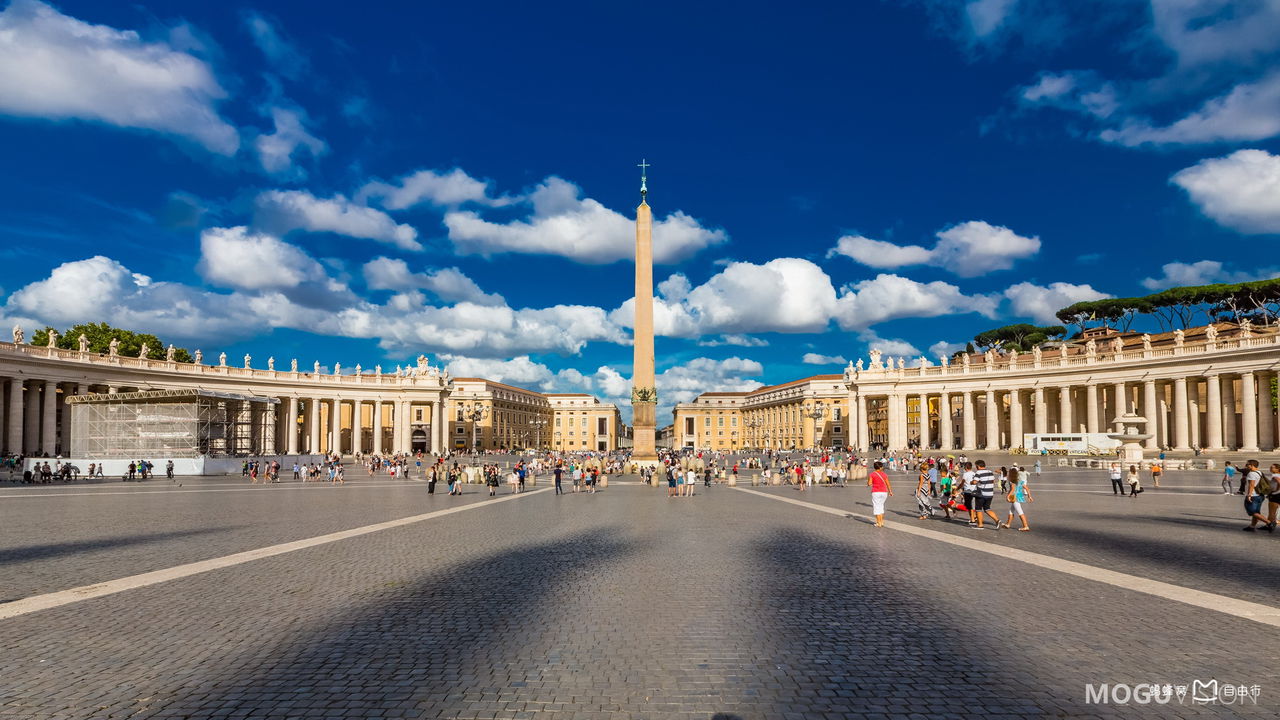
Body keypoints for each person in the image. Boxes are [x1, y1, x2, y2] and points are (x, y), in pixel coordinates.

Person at [1241, 460, 1272, 531]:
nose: (1246, 465)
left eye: (1247, 464)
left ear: (1252, 465)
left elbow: (1252, 485)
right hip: (1260, 495)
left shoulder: (1251, 473)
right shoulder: (1259, 472)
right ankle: (1252, 526)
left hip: (1253, 496)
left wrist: (1249, 495)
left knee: (1252, 512)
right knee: (1256, 512)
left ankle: (1269, 523)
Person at [971, 460, 1001, 530]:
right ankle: (997, 520)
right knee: (987, 508)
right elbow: (993, 481)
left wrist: (971, 482)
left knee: (978, 509)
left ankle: (980, 525)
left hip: (981, 494)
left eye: (976, 466)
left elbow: (975, 482)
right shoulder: (990, 472)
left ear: (978, 466)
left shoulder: (978, 472)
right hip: (990, 493)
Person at [1002, 466, 1033, 531]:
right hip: (1019, 497)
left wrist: (1008, 496)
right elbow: (1027, 488)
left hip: (1014, 497)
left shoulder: (1012, 481)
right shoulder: (1020, 480)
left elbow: (1013, 489)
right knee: (1011, 511)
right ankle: (1008, 524)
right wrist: (1029, 496)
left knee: (1020, 512)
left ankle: (1025, 526)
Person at [867, 460, 892, 527]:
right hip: (884, 492)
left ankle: (878, 523)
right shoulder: (884, 474)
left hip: (876, 492)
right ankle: (882, 522)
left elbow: (869, 484)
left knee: (876, 507)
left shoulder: (872, 474)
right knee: (881, 506)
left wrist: (872, 481)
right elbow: (888, 484)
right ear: (880, 467)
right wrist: (890, 491)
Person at [1265, 463, 1280, 533]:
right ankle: (1268, 525)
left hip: (1275, 495)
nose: (1270, 468)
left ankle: (1271, 525)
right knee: (1272, 511)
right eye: (1270, 467)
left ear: (1278, 469)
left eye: (1272, 468)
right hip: (1277, 494)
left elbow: (1279, 482)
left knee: (1272, 512)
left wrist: (1276, 489)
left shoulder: (1275, 475)